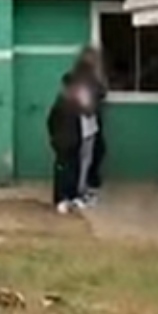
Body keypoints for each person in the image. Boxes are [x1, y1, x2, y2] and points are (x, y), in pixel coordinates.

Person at [73, 46, 107, 201]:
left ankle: (83, 186)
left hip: (86, 120)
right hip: (85, 121)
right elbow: (99, 93)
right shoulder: (88, 77)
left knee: (87, 156)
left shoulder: (81, 76)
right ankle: (81, 189)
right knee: (85, 157)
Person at [47, 74, 83, 215]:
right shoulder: (60, 103)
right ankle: (60, 199)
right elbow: (51, 122)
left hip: (74, 142)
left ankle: (71, 197)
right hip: (62, 142)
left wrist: (78, 139)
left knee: (73, 170)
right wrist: (55, 138)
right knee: (62, 171)